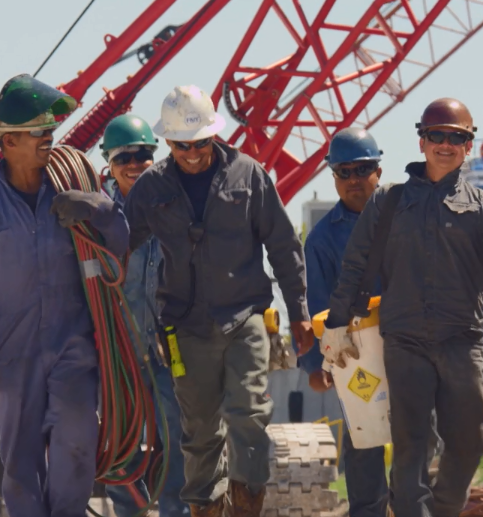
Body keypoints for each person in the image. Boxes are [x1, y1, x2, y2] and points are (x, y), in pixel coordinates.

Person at [320, 98, 483, 517]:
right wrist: (335, 324)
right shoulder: (387, 202)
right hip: (405, 344)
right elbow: (354, 265)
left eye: (456, 137)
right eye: (436, 135)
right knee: (411, 446)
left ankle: (442, 511)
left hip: (462, 343)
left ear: (468, 146)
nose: (445, 144)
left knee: (471, 439)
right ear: (421, 142)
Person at [0, 74, 130, 517]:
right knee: (21, 469)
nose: (50, 138)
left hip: (73, 348)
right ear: (7, 141)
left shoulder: (73, 187)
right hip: (10, 357)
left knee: (77, 448)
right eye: (39, 131)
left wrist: (98, 209)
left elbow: (119, 243)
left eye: (50, 129)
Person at [123, 85, 314, 517]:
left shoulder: (247, 174)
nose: (192, 154)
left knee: (249, 413)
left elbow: (284, 246)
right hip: (184, 328)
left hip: (244, 316)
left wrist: (299, 313)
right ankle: (205, 509)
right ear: (168, 143)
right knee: (199, 430)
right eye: (181, 145)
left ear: (215, 135)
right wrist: (94, 217)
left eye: (200, 143)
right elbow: (118, 241)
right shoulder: (152, 187)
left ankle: (247, 506)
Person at [98, 113, 189, 517]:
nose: (134, 164)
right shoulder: (96, 217)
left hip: (171, 351)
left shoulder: (176, 204)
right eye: (124, 158)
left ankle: (176, 512)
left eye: (142, 155)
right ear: (108, 163)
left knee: (179, 441)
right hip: (120, 357)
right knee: (125, 447)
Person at [301, 127, 390, 517]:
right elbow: (315, 305)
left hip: (411, 346)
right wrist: (315, 366)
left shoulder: (407, 219)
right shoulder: (321, 240)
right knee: (364, 439)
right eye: (344, 172)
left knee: (422, 438)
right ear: (333, 177)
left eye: (363, 169)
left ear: (379, 171)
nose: (354, 179)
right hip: (355, 354)